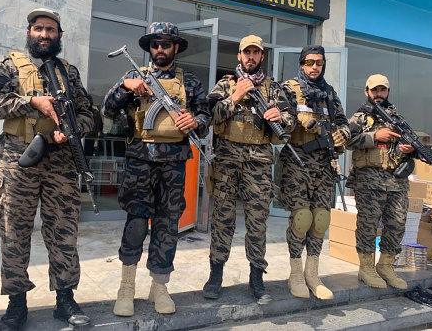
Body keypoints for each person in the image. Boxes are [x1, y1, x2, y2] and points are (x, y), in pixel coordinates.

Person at [0, 8, 93, 331]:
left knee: (64, 233)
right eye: (39, 29)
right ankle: (16, 303)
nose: (45, 35)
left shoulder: (68, 72)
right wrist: (30, 102)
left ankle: (65, 299)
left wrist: (72, 130)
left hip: (61, 161)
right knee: (14, 232)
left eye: (51, 30)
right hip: (18, 160)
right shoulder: (10, 66)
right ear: (30, 33)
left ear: (59, 36)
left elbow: (89, 113)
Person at [102, 22, 210, 316]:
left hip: (173, 163)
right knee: (136, 223)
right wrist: (125, 87)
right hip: (140, 161)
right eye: (155, 45)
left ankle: (159, 286)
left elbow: (205, 113)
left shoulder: (190, 82)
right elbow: (107, 110)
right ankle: (126, 286)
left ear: (175, 47)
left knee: (167, 225)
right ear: (149, 48)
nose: (160, 49)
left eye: (165, 44)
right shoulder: (135, 76)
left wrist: (195, 121)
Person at [202, 35, 295, 300]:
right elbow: (209, 115)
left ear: (262, 56)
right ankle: (216, 274)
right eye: (247, 52)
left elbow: (291, 120)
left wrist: (281, 117)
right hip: (227, 160)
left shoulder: (273, 88)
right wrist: (235, 97)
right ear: (239, 56)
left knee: (257, 222)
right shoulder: (226, 84)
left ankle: (256, 276)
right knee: (222, 219)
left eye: (256, 53)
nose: (251, 57)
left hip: (259, 162)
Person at [280, 45, 350, 300]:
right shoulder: (289, 89)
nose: (314, 67)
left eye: (319, 63)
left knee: (320, 219)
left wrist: (343, 134)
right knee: (301, 219)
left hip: (324, 165)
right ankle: (296, 273)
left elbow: (343, 123)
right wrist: (300, 120)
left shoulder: (329, 93)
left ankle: (313, 273)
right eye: (310, 62)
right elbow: (281, 119)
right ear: (301, 63)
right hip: (297, 162)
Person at [345, 74, 413, 290]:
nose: (378, 94)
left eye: (382, 90)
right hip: (369, 180)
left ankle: (385, 265)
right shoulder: (360, 117)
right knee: (368, 225)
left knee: (397, 223)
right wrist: (375, 136)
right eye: (374, 90)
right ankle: (366, 268)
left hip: (397, 181)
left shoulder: (398, 118)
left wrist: (407, 148)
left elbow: (411, 144)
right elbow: (346, 140)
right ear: (366, 92)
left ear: (388, 92)